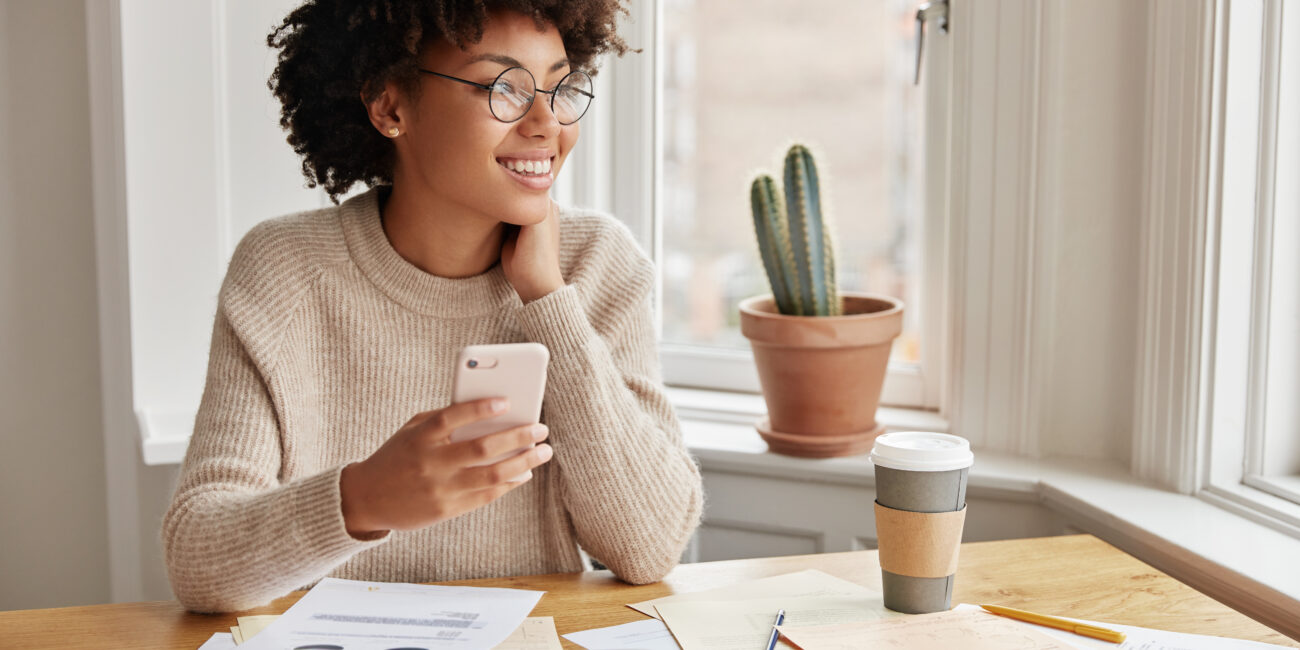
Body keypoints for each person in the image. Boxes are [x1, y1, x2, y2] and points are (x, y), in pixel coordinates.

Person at [162, 0, 703, 614]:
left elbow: (651, 546)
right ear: (390, 106)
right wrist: (362, 499)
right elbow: (198, 560)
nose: (546, 123)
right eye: (505, 88)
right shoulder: (286, 269)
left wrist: (549, 300)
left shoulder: (597, 263)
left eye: (559, 87)